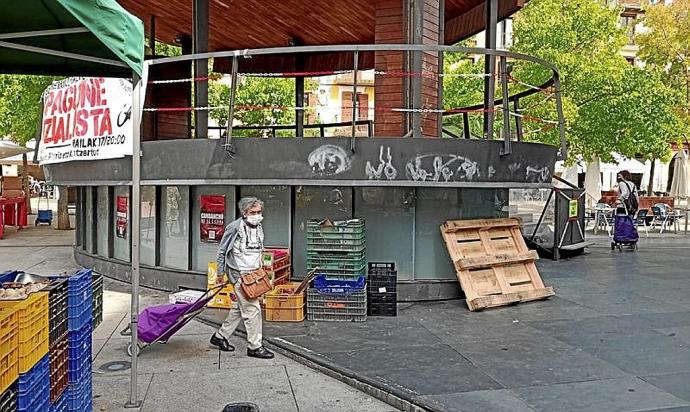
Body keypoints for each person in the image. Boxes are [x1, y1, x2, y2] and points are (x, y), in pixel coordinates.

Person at [209, 197, 274, 359]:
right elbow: (222, 251)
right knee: (253, 310)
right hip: (239, 275)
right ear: (244, 213)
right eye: (253, 212)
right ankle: (255, 346)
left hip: (254, 275)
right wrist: (220, 273)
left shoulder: (258, 226)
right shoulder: (234, 228)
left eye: (259, 212)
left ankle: (220, 336)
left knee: (239, 308)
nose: (257, 215)